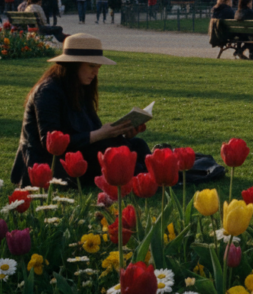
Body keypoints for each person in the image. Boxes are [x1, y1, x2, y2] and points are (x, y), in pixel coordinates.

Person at [10, 33, 150, 187]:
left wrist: (121, 131)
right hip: (48, 162)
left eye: (98, 67)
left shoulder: (79, 86)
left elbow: (91, 130)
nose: (95, 72)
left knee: (137, 144)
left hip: (77, 151)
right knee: (111, 149)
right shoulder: (48, 92)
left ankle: (152, 174)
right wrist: (101, 134)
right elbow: (50, 142)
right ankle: (146, 178)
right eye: (91, 66)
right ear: (74, 64)